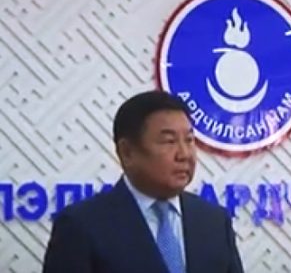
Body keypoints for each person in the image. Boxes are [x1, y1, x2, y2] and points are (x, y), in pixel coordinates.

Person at [42, 90, 244, 273]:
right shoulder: (81, 226)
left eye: (189, 140)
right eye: (169, 141)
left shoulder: (214, 222)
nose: (184, 154)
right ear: (127, 152)